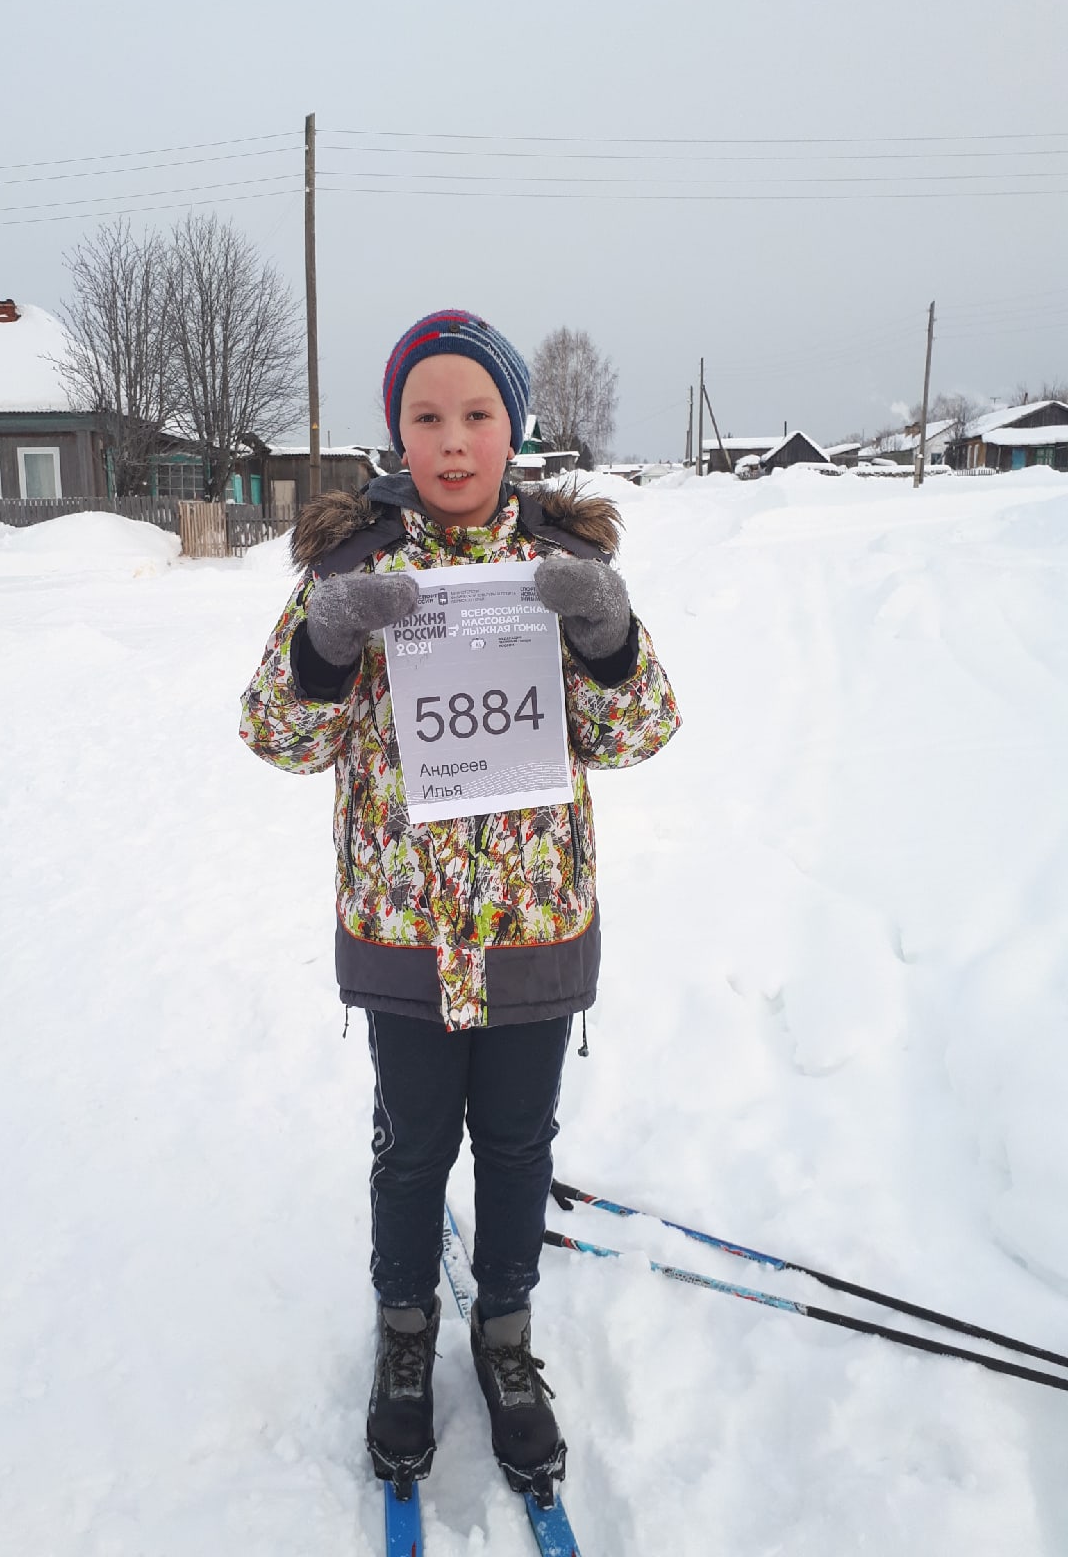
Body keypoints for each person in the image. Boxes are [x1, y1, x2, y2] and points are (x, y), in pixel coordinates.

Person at [239, 309, 680, 1505]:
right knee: (413, 1147)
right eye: (426, 415)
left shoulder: (561, 560)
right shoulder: (353, 564)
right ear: (396, 431)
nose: (451, 439)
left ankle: (504, 1332)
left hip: (535, 928)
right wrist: (326, 647)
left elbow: (640, 730)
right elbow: (277, 736)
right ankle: (403, 1331)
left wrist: (606, 638)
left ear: (511, 429)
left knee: (521, 1144)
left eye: (477, 414)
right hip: (407, 935)